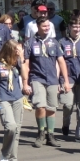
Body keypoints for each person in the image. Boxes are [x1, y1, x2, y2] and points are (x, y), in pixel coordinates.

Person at [22, 16, 68, 149]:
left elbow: (61, 62)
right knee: (40, 106)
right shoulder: (30, 43)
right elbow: (26, 64)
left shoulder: (54, 42)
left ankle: (50, 135)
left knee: (51, 108)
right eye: (44, 26)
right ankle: (41, 133)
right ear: (38, 27)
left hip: (52, 79)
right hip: (37, 78)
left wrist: (65, 80)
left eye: (48, 26)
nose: (47, 28)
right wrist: (25, 83)